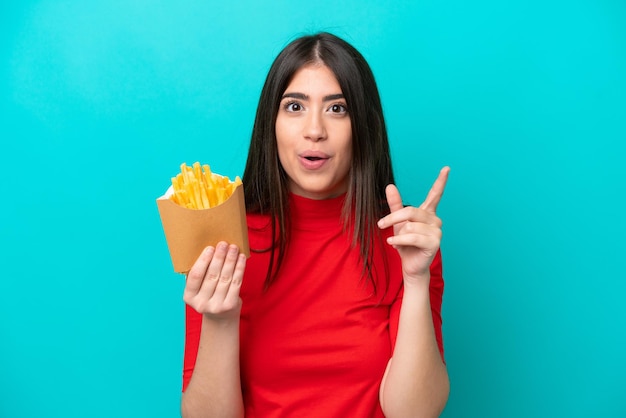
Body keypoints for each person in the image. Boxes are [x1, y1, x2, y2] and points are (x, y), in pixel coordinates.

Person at [180, 32, 450, 418]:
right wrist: (220, 319)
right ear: (269, 123)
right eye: (294, 106)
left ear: (364, 126)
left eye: (337, 109)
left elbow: (414, 413)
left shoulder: (404, 239)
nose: (315, 130)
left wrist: (416, 279)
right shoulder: (224, 236)